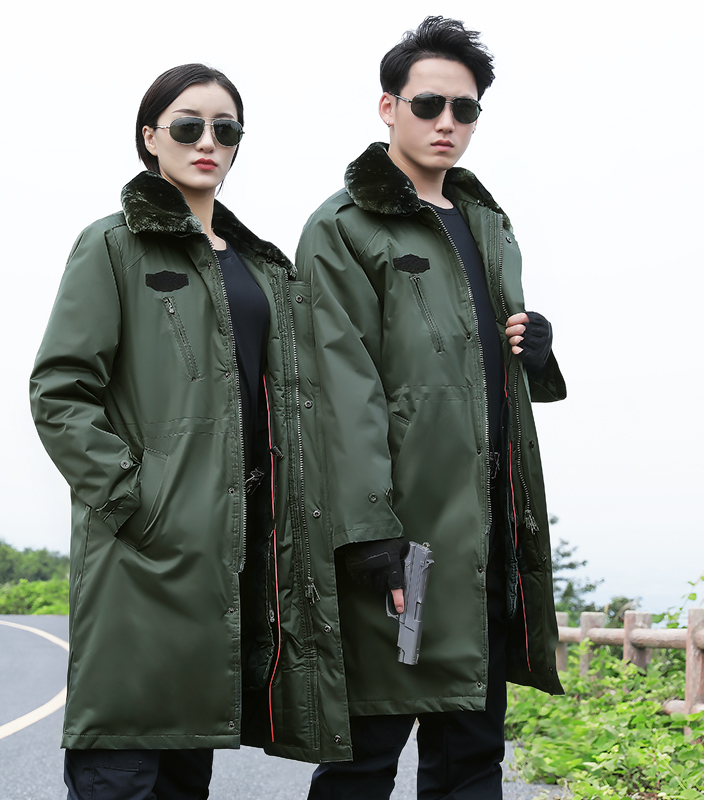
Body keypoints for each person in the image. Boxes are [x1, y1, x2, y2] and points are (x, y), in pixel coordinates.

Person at [29, 63, 349, 799]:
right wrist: (136, 500)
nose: (208, 141)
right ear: (151, 137)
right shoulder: (113, 245)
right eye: (188, 125)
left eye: (225, 128)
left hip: (232, 555)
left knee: (183, 772)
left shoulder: (263, 268)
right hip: (141, 553)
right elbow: (60, 390)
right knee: (120, 764)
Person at [294, 17, 567, 800]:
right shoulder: (343, 228)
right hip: (399, 544)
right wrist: (370, 536)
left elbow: (478, 374)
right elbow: (337, 395)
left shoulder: (487, 224)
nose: (447, 122)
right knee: (364, 759)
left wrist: (536, 354)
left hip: (485, 542)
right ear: (388, 107)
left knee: (472, 761)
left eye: (465, 109)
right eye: (428, 104)